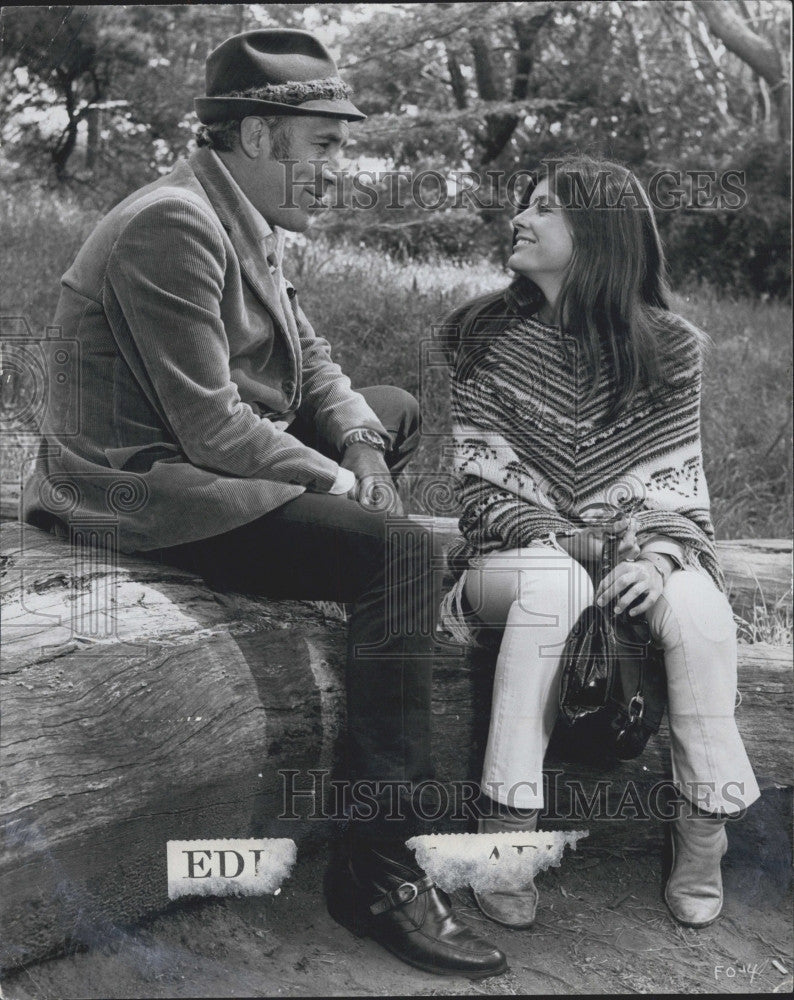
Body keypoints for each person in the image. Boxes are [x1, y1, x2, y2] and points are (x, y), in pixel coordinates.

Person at [22, 29, 507, 979]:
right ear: (255, 136)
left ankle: (352, 549)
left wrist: (363, 446)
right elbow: (209, 428)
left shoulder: (239, 213)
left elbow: (313, 358)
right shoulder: (173, 224)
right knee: (403, 555)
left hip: (208, 451)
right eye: (323, 144)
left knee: (391, 412)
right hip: (140, 485)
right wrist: (341, 488)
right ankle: (378, 874)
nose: (339, 167)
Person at [438, 155, 760, 931]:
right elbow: (480, 496)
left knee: (696, 608)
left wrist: (652, 558)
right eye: (526, 202)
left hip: (635, 552)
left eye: (543, 207)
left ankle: (702, 831)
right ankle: (507, 835)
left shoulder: (670, 348)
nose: (519, 217)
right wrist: (583, 547)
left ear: (598, 233)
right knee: (557, 587)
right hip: (508, 565)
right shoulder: (484, 336)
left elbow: (679, 496)